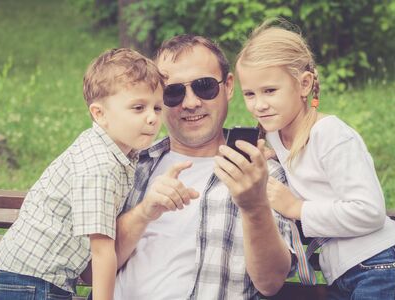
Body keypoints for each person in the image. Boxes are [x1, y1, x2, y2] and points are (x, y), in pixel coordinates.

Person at [235, 21, 395, 299]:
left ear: (304, 84)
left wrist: (297, 208)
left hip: (380, 265)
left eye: (270, 91)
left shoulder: (330, 134)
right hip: (343, 275)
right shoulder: (275, 137)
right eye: (250, 94)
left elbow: (369, 211)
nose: (259, 104)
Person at [111, 35, 296, 299]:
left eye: (205, 87)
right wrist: (143, 213)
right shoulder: (132, 164)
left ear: (228, 86)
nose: (190, 102)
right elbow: (88, 270)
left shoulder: (258, 170)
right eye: (173, 92)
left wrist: (254, 207)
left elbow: (271, 282)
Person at [0, 48, 165, 300]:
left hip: (36, 277)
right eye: (138, 108)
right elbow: (102, 250)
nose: (151, 118)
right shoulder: (100, 166)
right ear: (99, 114)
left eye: (157, 108)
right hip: (30, 279)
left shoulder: (118, 151)